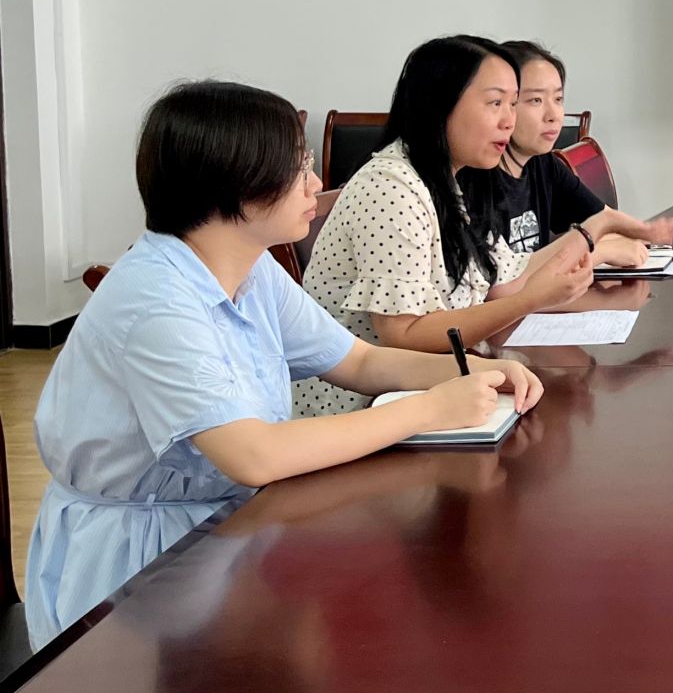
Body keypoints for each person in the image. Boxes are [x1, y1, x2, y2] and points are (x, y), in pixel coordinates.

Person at [24, 81, 544, 648]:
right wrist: (427, 410)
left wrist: (471, 372)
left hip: (223, 532)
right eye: (298, 168)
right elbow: (253, 455)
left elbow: (360, 360)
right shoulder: (155, 298)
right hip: (140, 570)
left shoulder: (251, 268)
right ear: (235, 184)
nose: (316, 185)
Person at [295, 36, 594, 415]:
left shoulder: (451, 180)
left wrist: (584, 242)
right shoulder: (390, 188)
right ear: (440, 105)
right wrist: (532, 299)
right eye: (495, 103)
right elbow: (403, 335)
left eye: (513, 103)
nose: (509, 120)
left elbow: (507, 275)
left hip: (430, 392)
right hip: (362, 413)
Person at [484, 40, 673, 263]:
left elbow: (599, 217)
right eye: (536, 100)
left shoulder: (543, 163)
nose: (554, 115)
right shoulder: (476, 181)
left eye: (558, 99)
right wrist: (601, 252)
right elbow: (507, 276)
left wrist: (645, 232)